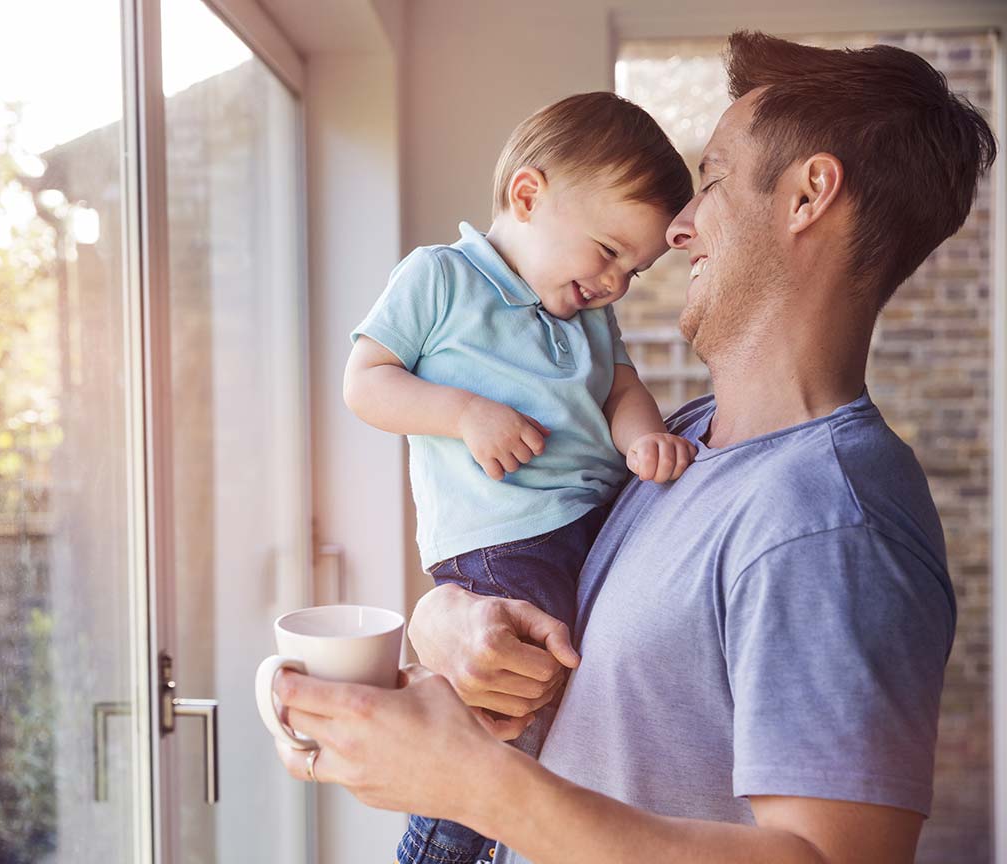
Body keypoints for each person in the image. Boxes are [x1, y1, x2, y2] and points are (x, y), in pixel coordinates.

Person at [271, 30, 996, 863]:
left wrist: (474, 784)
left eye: (713, 180)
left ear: (808, 197)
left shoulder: (832, 522)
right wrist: (450, 619)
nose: (679, 227)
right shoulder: (680, 444)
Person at [344, 92, 696, 863]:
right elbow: (366, 381)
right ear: (528, 196)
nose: (615, 284)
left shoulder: (592, 319)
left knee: (574, 702)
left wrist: (646, 440)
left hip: (591, 526)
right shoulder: (441, 278)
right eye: (608, 252)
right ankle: (434, 849)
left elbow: (622, 391)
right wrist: (464, 412)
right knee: (514, 713)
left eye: (634, 270)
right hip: (504, 541)